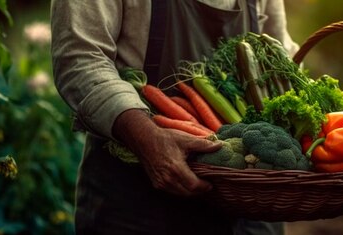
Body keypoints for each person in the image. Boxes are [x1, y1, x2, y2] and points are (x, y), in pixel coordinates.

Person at [50, 0, 300, 234]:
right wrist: (146, 137)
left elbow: (277, 55)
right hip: (137, 207)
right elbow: (81, 58)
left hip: (252, 209)